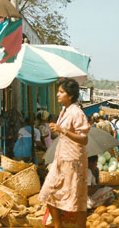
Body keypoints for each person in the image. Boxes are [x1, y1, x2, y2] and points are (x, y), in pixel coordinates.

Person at [38, 78, 91, 228]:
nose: (57, 94)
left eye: (61, 92)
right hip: (61, 158)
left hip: (74, 160)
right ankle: (58, 225)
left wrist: (63, 130)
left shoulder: (77, 112)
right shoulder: (64, 110)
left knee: (77, 198)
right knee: (49, 191)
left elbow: (84, 139)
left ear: (71, 95)